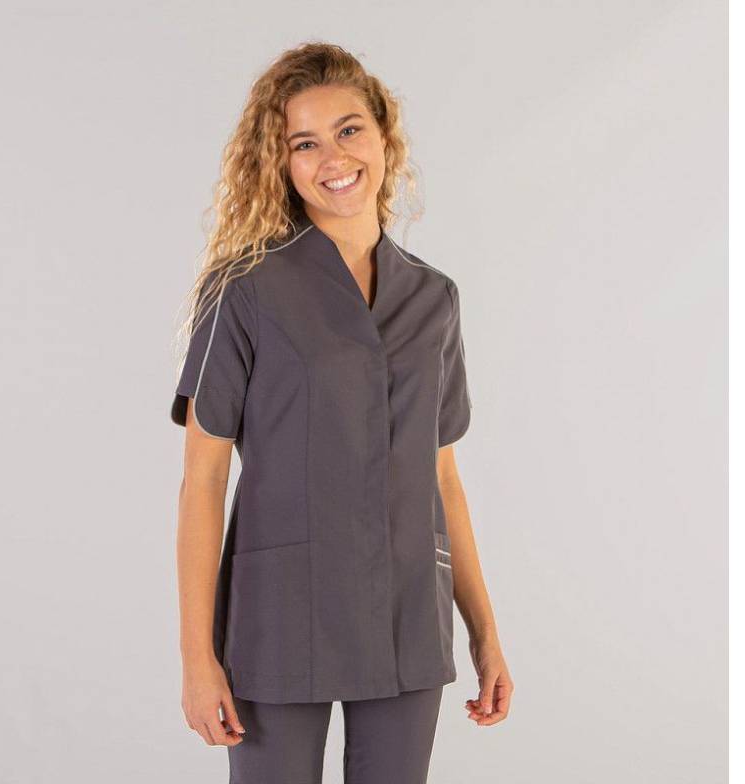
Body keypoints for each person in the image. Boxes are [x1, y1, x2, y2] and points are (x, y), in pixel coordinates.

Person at [170, 42, 513, 783]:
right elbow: (203, 480)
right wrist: (197, 658)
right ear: (281, 163)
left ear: (384, 137)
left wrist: (484, 634)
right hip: (281, 615)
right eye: (305, 143)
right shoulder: (244, 290)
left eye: (349, 129)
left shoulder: (433, 298)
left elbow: (443, 479)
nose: (334, 157)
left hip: (407, 616)